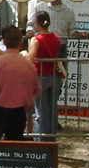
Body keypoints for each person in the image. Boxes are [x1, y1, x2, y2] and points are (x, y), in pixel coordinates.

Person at [25, 11, 65, 141]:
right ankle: (51, 140)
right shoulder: (56, 38)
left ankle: (41, 141)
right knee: (52, 109)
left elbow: (31, 57)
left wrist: (23, 54)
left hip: (40, 76)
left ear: (37, 24)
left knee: (41, 111)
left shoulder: (36, 40)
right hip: (54, 75)